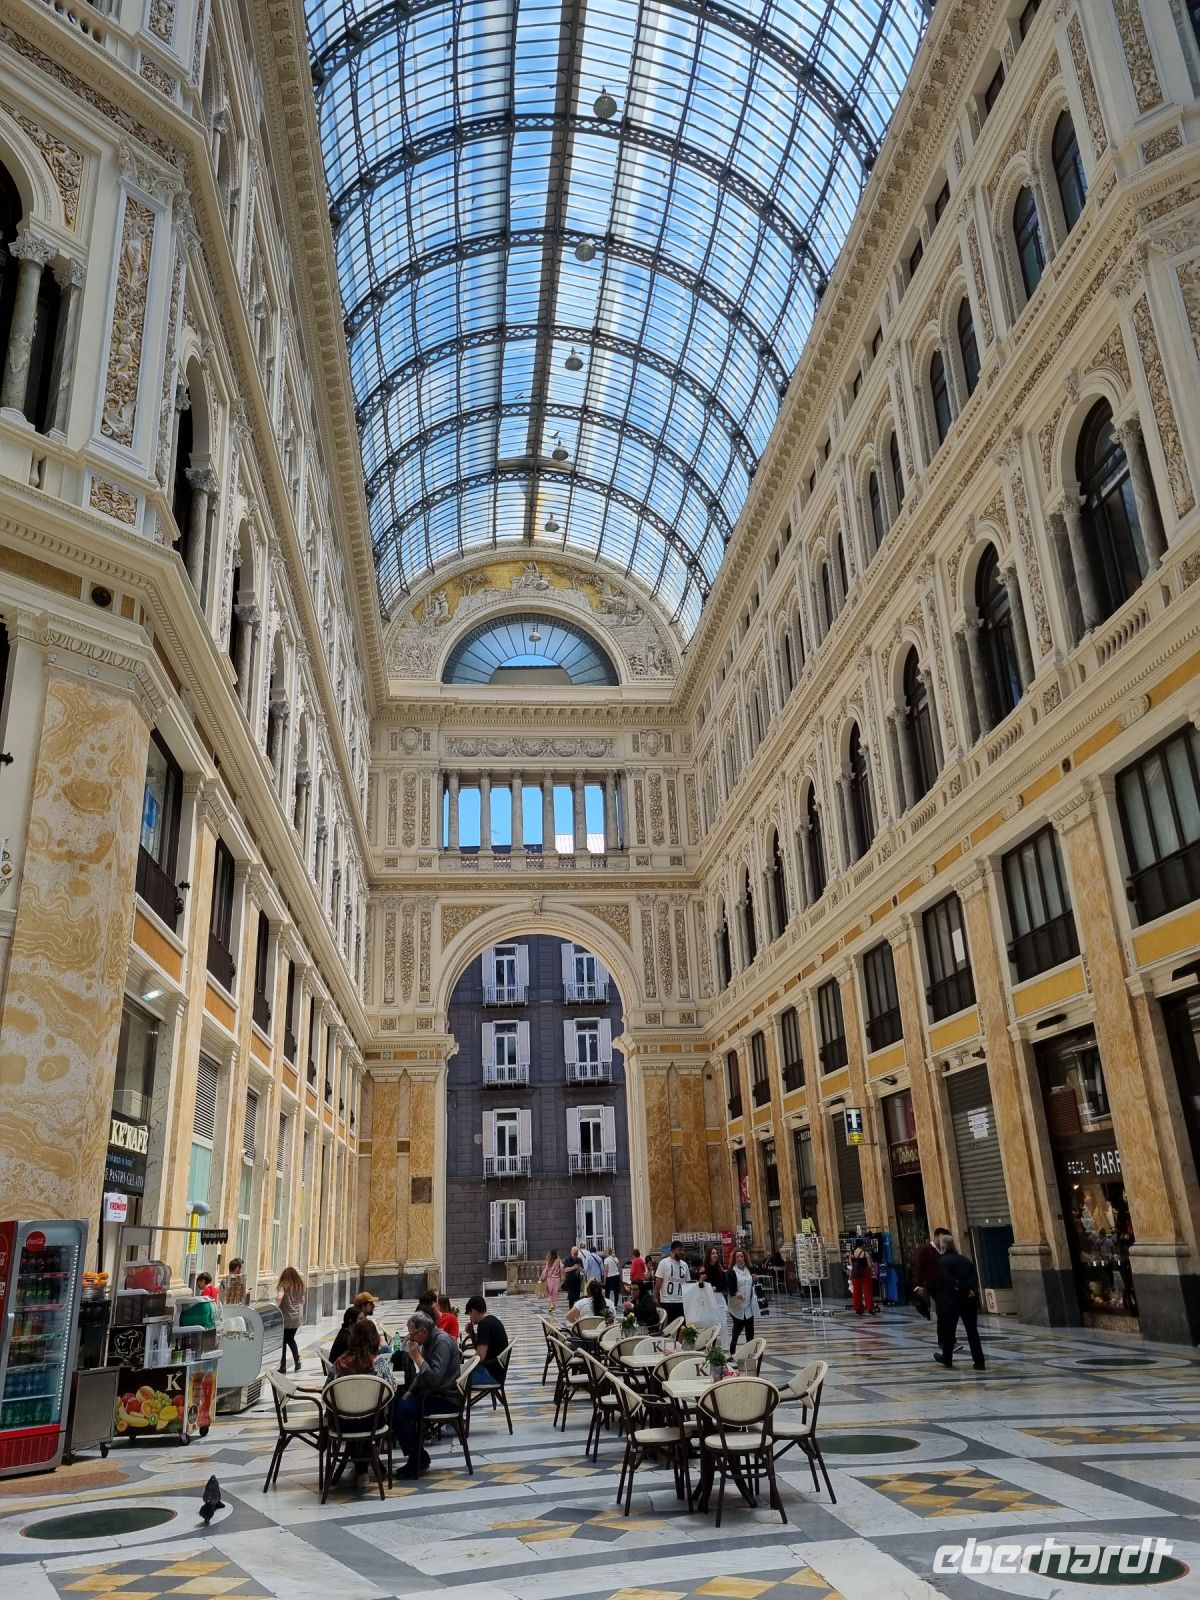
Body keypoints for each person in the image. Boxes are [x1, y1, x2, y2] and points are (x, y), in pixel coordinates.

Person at [327, 1319, 396, 1489]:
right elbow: (392, 1388)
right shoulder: (379, 1363)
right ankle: (369, 1469)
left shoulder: (339, 1363)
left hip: (343, 1424)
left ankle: (361, 1471)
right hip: (373, 1423)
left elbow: (327, 1392)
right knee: (368, 1417)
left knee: (357, 1420)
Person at [392, 1311, 462, 1478]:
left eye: (412, 1334)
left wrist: (417, 1358)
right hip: (433, 1394)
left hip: (446, 1398)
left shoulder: (441, 1342)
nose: (411, 1339)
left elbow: (435, 1378)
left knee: (398, 1412)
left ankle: (417, 1458)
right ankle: (417, 1455)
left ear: (423, 1332)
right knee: (397, 1404)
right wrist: (410, 1391)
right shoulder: (430, 1341)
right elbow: (423, 1375)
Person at [933, 1232, 986, 1370]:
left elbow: (941, 1283)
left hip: (951, 1301)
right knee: (972, 1331)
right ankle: (979, 1361)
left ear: (943, 1247)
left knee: (949, 1332)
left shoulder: (941, 1262)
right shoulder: (964, 1260)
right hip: (968, 1299)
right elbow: (973, 1279)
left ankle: (947, 1358)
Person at [464, 1295, 509, 1384]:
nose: (470, 1319)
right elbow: (480, 1349)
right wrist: (472, 1333)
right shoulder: (492, 1320)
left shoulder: (484, 1325)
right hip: (497, 1371)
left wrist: (465, 1366)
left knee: (454, 1378)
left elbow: (480, 1356)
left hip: (491, 1374)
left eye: (470, 1315)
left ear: (473, 1311)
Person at [726, 1247, 760, 1353]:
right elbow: (730, 1287)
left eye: (741, 1256)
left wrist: (754, 1279)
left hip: (749, 1304)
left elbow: (752, 1284)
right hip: (736, 1305)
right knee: (737, 1328)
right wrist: (736, 1293)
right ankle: (732, 1349)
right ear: (734, 1258)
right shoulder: (731, 1272)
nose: (740, 1258)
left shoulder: (749, 1269)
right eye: (737, 1257)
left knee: (750, 1328)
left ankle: (750, 1351)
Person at [912, 1229, 946, 1322]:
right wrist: (920, 1286)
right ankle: (942, 1322)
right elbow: (919, 1267)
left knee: (943, 1304)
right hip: (931, 1283)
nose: (943, 1240)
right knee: (940, 1303)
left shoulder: (944, 1249)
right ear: (936, 1237)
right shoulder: (925, 1249)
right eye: (942, 1237)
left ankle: (943, 1321)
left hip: (943, 1282)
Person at [654, 1239, 691, 1327]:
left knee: (681, 1327)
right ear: (673, 1250)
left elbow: (688, 1283)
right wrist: (655, 1297)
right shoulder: (664, 1263)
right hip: (667, 1301)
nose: (682, 1252)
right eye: (679, 1250)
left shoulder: (684, 1265)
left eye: (683, 1250)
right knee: (667, 1327)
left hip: (681, 1301)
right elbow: (659, 1281)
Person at [275, 1267, 305, 1372]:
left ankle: (283, 1365)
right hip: (297, 1317)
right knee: (290, 1339)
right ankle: (297, 1361)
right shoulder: (299, 1286)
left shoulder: (283, 1285)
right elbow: (302, 1300)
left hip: (286, 1317)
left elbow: (279, 1297)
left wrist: (277, 1306)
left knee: (284, 1341)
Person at [682, 1266, 726, 1336]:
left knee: (720, 1323)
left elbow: (724, 1284)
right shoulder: (704, 1268)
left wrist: (715, 1287)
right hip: (704, 1300)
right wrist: (701, 1280)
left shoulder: (719, 1269)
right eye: (701, 1273)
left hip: (716, 1297)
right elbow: (699, 1285)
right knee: (706, 1324)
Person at [849, 1241, 876, 1315]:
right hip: (865, 1273)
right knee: (867, 1291)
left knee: (856, 1292)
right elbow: (869, 1265)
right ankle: (870, 1308)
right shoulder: (865, 1253)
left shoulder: (851, 1254)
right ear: (862, 1245)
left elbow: (851, 1265)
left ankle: (858, 1309)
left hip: (855, 1275)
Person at [538, 1249, 564, 1314]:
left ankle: (551, 1304)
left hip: (550, 1278)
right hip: (557, 1279)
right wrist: (561, 1277)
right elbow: (562, 1268)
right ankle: (553, 1307)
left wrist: (541, 1278)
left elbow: (545, 1270)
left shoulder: (549, 1261)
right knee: (554, 1293)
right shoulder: (558, 1261)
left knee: (549, 1292)